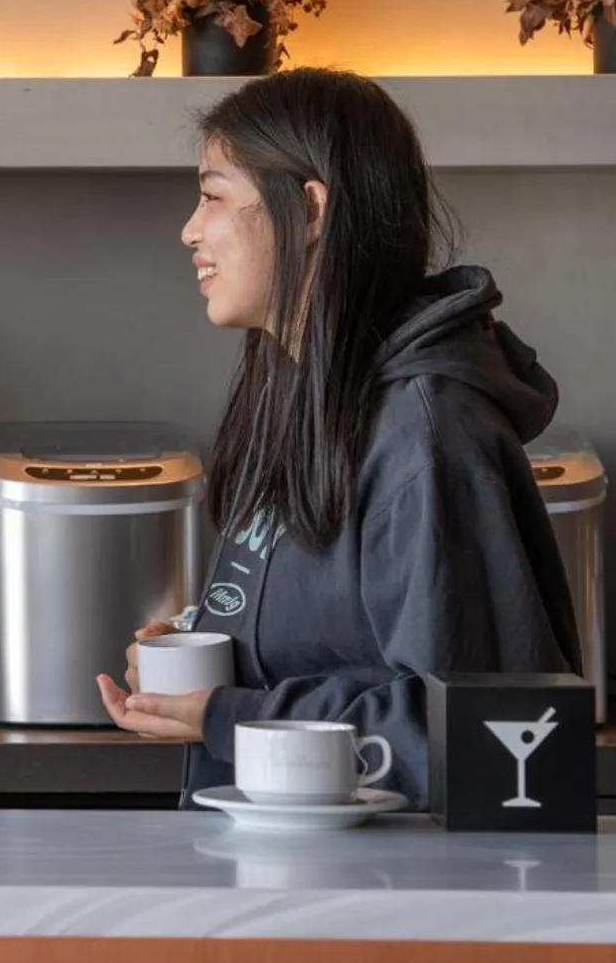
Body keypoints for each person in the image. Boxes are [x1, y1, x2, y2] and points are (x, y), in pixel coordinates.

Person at [96, 68, 581, 807]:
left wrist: (232, 716)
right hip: (297, 879)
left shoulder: (427, 432)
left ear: (308, 207)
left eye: (212, 193)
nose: (190, 229)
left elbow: (485, 729)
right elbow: (338, 646)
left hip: (396, 900)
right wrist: (208, 648)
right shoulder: (306, 399)